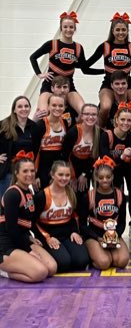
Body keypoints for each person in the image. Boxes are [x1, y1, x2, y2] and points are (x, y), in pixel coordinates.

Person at [0, 152, 57, 282]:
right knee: (40, 273)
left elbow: (26, 223)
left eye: (32, 170)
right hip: (7, 245)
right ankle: (3, 271)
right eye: (25, 171)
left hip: (21, 239)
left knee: (52, 268)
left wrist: (31, 238)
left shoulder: (29, 192)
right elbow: (11, 229)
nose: (30, 174)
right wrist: (28, 250)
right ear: (16, 173)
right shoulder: (13, 194)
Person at [84, 12, 131, 127]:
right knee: (106, 106)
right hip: (108, 84)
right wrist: (102, 71)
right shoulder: (105, 46)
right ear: (112, 31)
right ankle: (101, 130)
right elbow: (86, 65)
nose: (120, 33)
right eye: (117, 30)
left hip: (127, 84)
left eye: (123, 30)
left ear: (127, 31)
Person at [33, 161, 89, 272]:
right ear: (52, 175)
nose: (64, 178)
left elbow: (73, 216)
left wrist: (74, 232)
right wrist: (46, 238)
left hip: (67, 235)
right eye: (60, 175)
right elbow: (32, 222)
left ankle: (66, 253)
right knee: (63, 263)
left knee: (82, 261)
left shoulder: (72, 193)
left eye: (67, 175)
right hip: (49, 236)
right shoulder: (41, 196)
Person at [30, 11, 87, 114]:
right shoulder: (52, 44)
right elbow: (33, 57)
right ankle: (32, 129)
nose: (68, 30)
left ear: (74, 28)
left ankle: (75, 130)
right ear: (61, 28)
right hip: (49, 85)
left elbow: (84, 67)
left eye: (71, 27)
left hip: (68, 86)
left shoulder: (78, 47)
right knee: (43, 112)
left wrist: (104, 70)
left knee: (84, 111)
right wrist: (39, 74)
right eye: (65, 27)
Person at [79, 157, 129, 270]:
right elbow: (82, 225)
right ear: (96, 177)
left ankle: (108, 252)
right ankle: (93, 254)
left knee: (122, 261)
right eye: (101, 177)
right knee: (104, 263)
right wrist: (97, 238)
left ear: (113, 177)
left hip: (113, 234)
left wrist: (116, 236)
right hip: (94, 235)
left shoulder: (120, 195)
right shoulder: (88, 196)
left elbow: (122, 222)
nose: (105, 180)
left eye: (108, 177)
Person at [99, 102, 131, 241]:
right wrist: (121, 156)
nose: (125, 123)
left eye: (129, 120)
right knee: (116, 199)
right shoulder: (107, 135)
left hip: (129, 170)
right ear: (116, 120)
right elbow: (104, 158)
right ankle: (112, 229)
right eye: (123, 119)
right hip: (114, 172)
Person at [62, 104, 101, 204]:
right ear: (82, 116)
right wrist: (72, 177)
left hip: (86, 168)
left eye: (93, 114)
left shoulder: (99, 133)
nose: (90, 117)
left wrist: (85, 174)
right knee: (72, 196)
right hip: (71, 168)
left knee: (83, 196)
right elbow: (64, 156)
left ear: (97, 116)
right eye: (87, 114)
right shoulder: (73, 132)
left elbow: (95, 158)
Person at [0, 96, 37, 196]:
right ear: (14, 110)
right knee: (5, 203)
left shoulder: (34, 127)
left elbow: (37, 150)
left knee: (24, 202)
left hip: (27, 171)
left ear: (30, 108)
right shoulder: (3, 125)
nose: (24, 109)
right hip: (8, 172)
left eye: (26, 106)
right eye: (20, 107)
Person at [33, 95, 68, 189]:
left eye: (61, 106)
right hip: (43, 170)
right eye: (54, 105)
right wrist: (35, 176)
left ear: (65, 107)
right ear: (48, 106)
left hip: (60, 168)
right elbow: (34, 151)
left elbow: (66, 150)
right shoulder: (40, 125)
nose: (57, 108)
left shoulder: (65, 123)